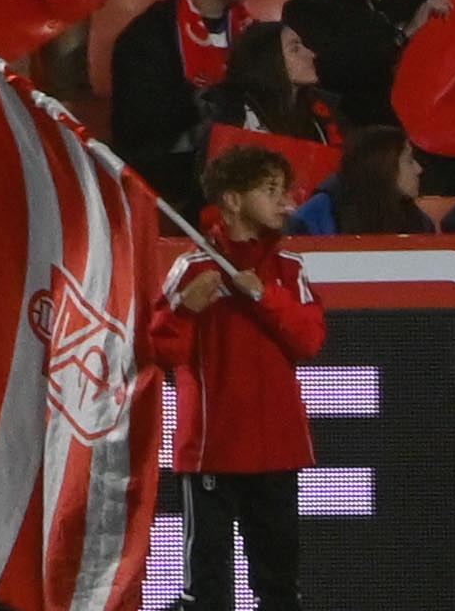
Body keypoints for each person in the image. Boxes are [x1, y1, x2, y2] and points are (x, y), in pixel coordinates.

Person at [158, 135, 332, 610]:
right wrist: (184, 311)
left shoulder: (290, 269)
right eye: (272, 191)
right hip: (212, 450)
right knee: (207, 591)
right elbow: (161, 352)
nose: (287, 202)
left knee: (279, 589)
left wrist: (263, 295)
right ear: (232, 201)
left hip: (278, 450)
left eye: (286, 190)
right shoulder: (191, 268)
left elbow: (310, 341)